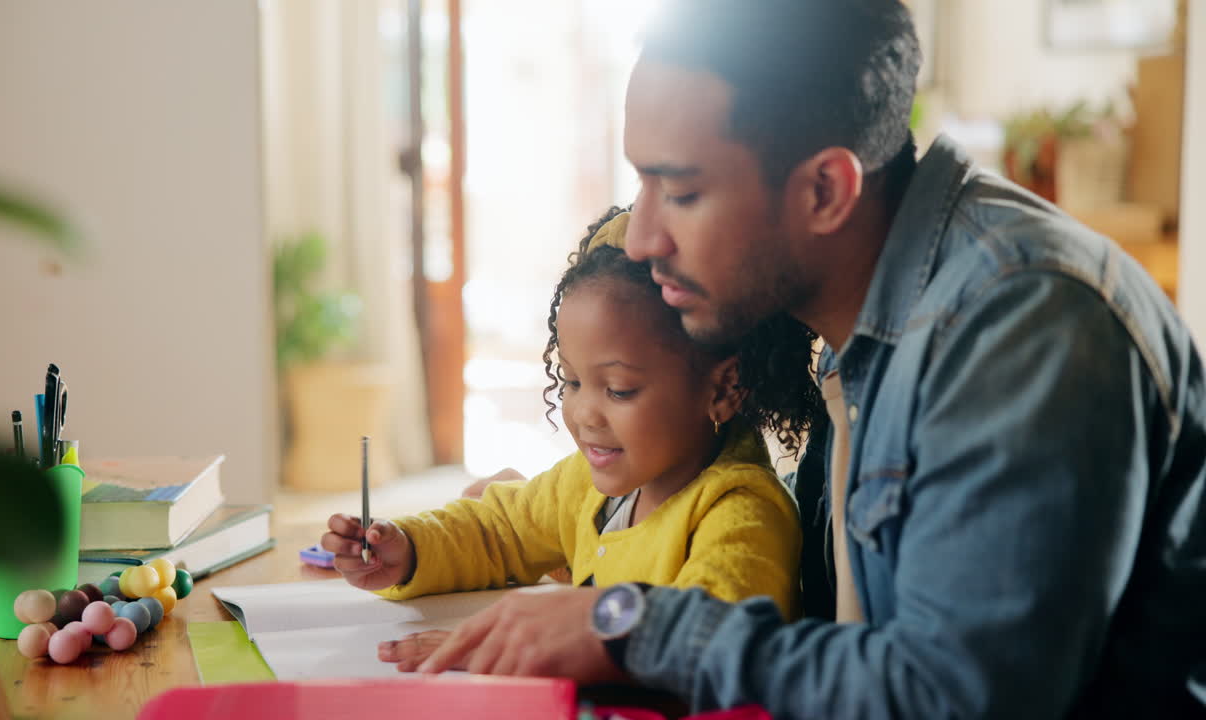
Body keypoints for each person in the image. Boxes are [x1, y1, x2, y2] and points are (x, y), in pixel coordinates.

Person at [389, 1, 1206, 717]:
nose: (640, 238)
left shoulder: (1022, 325)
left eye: (681, 191)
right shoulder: (854, 334)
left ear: (825, 191)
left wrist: (631, 625)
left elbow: (952, 698)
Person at [322, 206, 822, 625]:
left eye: (619, 390)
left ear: (724, 388)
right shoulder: (589, 486)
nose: (583, 413)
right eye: (572, 381)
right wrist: (406, 550)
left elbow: (711, 639)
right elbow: (499, 530)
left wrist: (564, 633)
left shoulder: (742, 514)